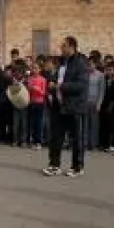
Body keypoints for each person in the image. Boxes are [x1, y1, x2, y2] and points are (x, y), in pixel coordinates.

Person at [43, 36, 89, 177]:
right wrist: (51, 83)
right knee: (56, 136)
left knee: (76, 138)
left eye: (64, 46)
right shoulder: (60, 62)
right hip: (59, 105)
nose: (61, 48)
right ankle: (54, 164)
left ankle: (77, 166)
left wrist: (61, 86)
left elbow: (81, 85)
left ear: (71, 47)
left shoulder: (80, 63)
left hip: (74, 105)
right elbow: (54, 77)